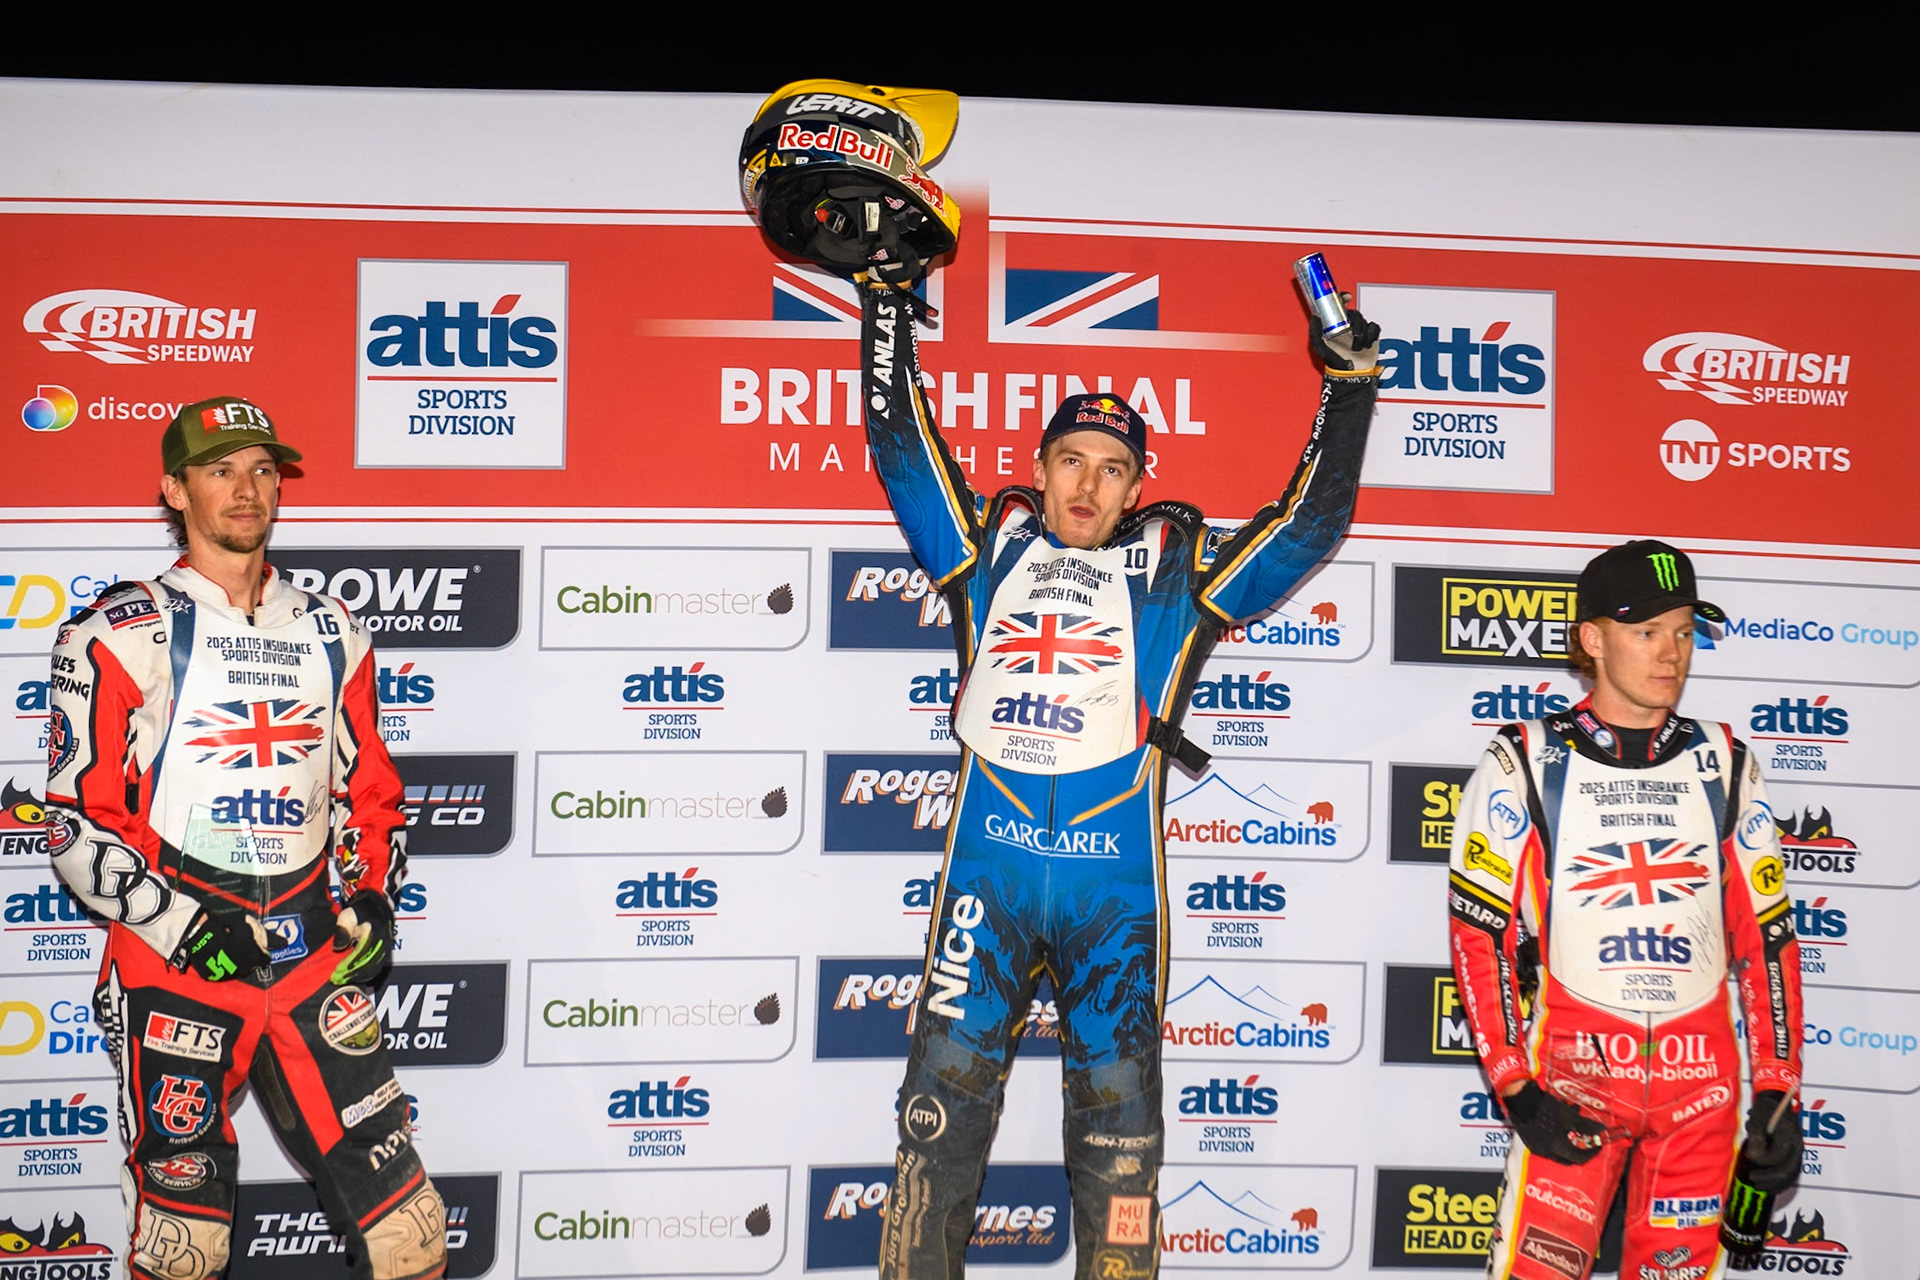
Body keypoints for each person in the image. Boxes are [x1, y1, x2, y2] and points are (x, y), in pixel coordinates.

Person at [860, 275, 1381, 1280]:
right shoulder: (983, 550)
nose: (1088, 487)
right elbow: (900, 447)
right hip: (986, 893)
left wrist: (1349, 382)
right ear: (1040, 469)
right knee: (935, 1141)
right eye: (1070, 462)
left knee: (1121, 1166)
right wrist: (886, 301)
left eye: (1112, 469)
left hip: (1114, 911)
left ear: (1138, 485)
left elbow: (1309, 530)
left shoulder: (1180, 575)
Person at [44, 397, 445, 1280]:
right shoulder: (116, 630)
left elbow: (370, 794)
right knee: (185, 1249)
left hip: (310, 955)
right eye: (220, 469)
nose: (246, 489)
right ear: (172, 489)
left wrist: (372, 891)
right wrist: (182, 924)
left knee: (411, 1233)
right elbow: (74, 823)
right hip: (178, 960)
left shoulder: (334, 629)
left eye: (263, 469)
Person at [1448, 540, 1803, 1279]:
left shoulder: (1727, 762)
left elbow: (1768, 939)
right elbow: (1480, 933)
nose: (1671, 653)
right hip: (1576, 1082)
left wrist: (1777, 1089)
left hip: (1701, 1090)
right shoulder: (1526, 758)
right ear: (1592, 639)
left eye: (1682, 631)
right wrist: (1514, 1084)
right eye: (1647, 632)